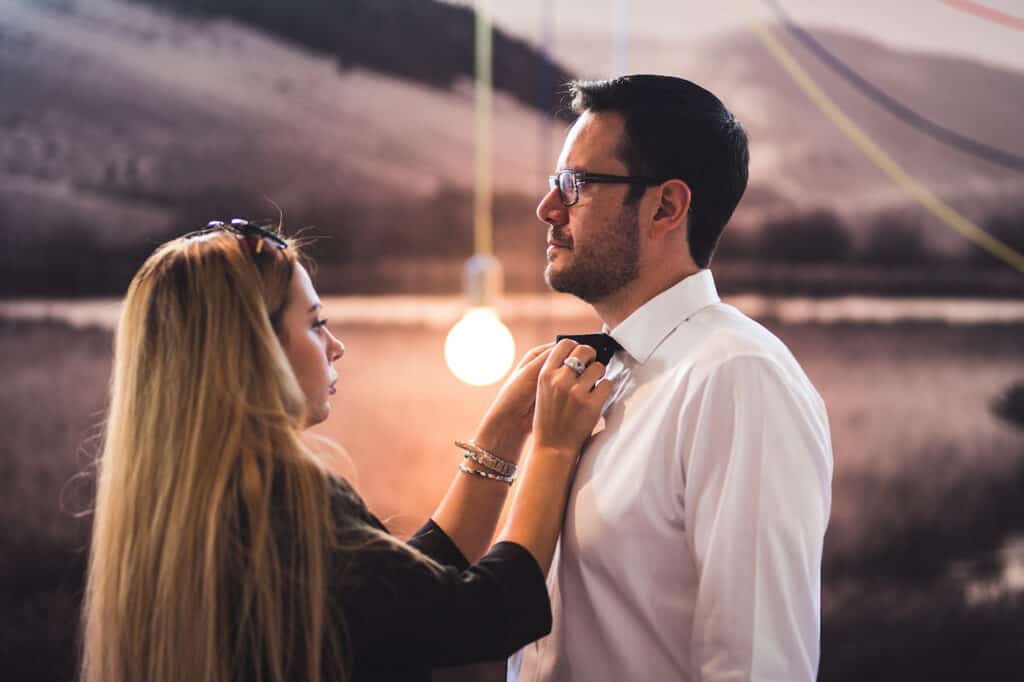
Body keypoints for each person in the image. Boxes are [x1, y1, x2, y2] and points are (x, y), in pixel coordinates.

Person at [80, 219, 613, 682]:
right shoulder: (281, 497)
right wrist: (552, 447)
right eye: (314, 324)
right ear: (252, 351)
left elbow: (408, 598)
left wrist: (499, 436)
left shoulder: (188, 501)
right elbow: (483, 616)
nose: (336, 346)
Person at [508, 75, 833, 681]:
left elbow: (757, 666)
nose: (548, 208)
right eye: (557, 183)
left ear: (665, 207)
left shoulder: (740, 381)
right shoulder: (591, 379)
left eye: (575, 184)